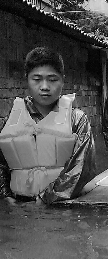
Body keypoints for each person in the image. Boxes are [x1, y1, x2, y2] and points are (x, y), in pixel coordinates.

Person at [0, 47, 96, 206]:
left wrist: (46, 198)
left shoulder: (77, 119)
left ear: (63, 80)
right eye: (37, 79)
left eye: (52, 79)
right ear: (26, 79)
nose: (44, 86)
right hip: (18, 205)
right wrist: (6, 196)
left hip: (62, 206)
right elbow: (2, 163)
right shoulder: (11, 119)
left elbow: (82, 168)